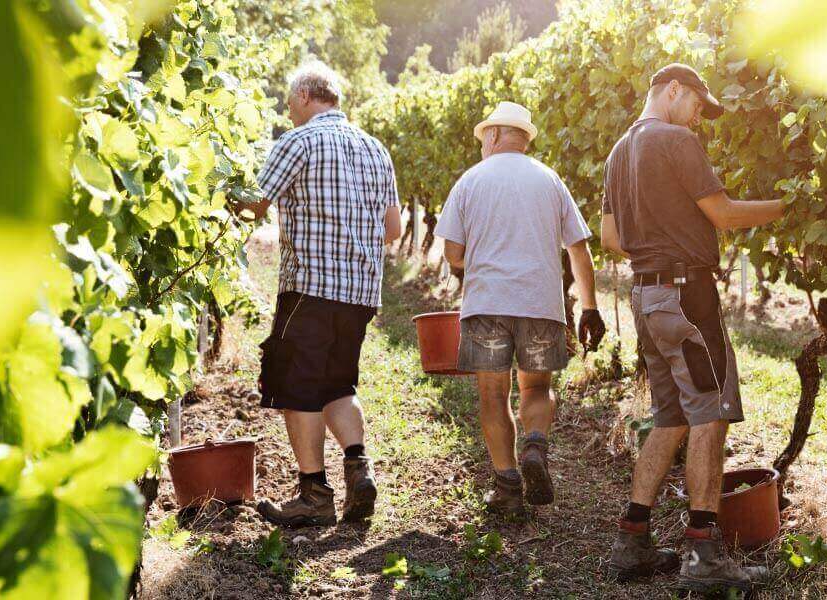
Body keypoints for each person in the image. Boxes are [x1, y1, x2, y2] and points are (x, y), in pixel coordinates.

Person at [600, 64, 785, 593]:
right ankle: (703, 554)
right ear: (673, 91)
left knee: (671, 417)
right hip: (687, 296)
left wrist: (659, 234)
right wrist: (789, 208)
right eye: (699, 105)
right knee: (710, 416)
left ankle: (632, 540)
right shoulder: (676, 139)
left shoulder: (619, 152)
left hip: (646, 296)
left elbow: (612, 237)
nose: (700, 117)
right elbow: (724, 215)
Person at [234, 62, 402, 528]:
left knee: (297, 389)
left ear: (306, 97)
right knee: (338, 384)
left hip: (310, 287)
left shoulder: (298, 141)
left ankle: (314, 494)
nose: (289, 113)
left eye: (290, 104)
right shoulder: (375, 149)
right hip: (361, 293)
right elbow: (393, 230)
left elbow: (254, 204)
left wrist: (221, 189)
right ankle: (358, 467)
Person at [436, 101, 607, 519]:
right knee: (535, 388)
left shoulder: (471, 180)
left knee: (494, 395)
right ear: (524, 137)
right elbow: (579, 250)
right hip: (540, 304)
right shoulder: (550, 180)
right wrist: (589, 308)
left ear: (493, 135)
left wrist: (483, 250)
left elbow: (453, 255)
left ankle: (507, 486)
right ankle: (534, 444)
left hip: (487, 305)